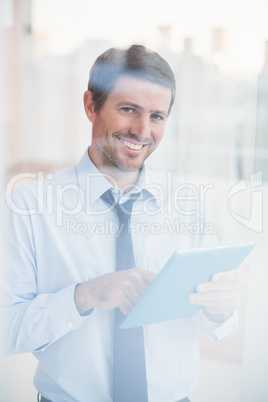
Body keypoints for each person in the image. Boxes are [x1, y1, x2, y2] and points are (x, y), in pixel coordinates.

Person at [1, 45, 246, 402]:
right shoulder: (29, 206)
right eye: (129, 109)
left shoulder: (188, 203)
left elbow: (216, 324)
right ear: (90, 105)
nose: (142, 131)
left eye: (157, 116)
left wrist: (219, 308)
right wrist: (84, 296)